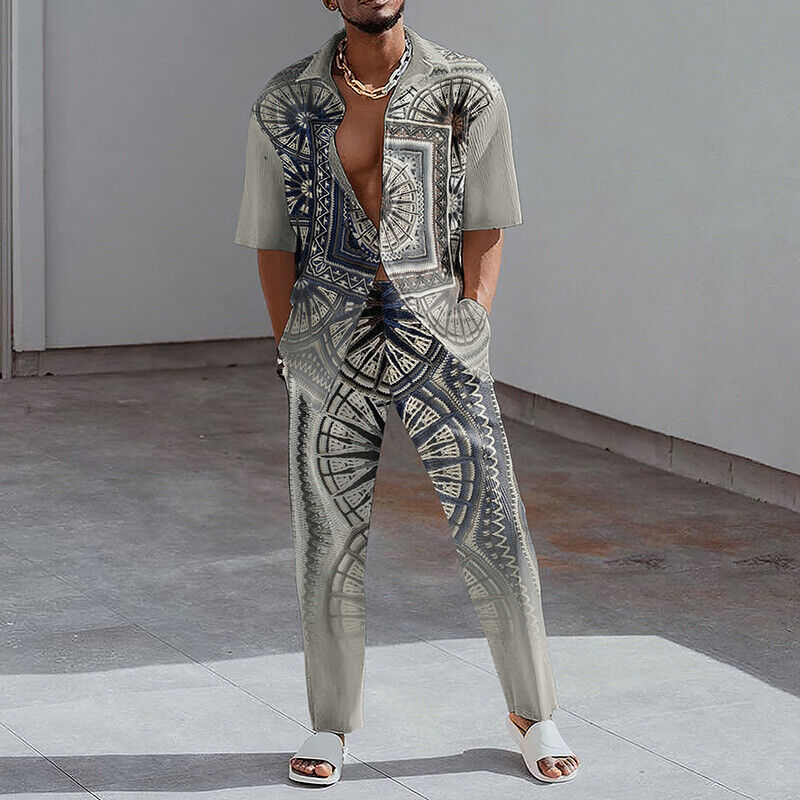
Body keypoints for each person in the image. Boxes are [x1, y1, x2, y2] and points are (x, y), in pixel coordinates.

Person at [234, 0, 580, 786]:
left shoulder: (468, 89)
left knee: (494, 522)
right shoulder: (285, 101)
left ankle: (534, 712)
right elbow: (271, 237)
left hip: (439, 335)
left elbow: (489, 219)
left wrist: (472, 322)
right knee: (326, 536)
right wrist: (293, 343)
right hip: (327, 336)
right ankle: (329, 723)